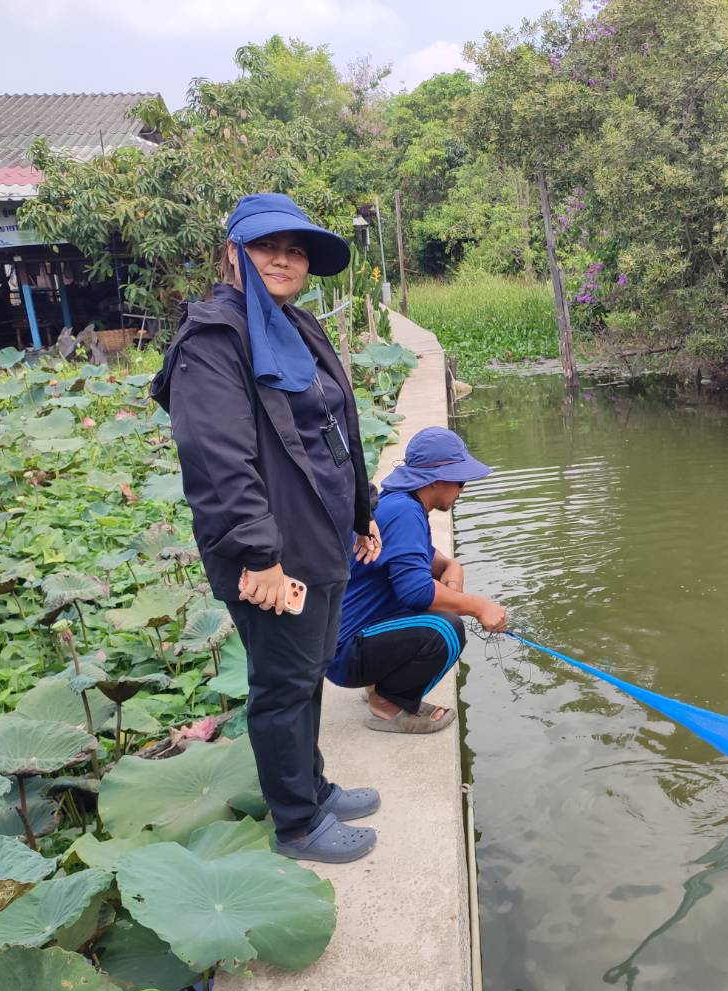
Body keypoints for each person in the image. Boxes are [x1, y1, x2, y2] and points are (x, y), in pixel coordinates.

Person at [151, 193, 386, 865]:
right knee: (282, 685)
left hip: (320, 534)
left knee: (307, 670)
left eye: (295, 250)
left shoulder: (298, 325)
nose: (282, 259)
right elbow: (219, 460)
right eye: (265, 247)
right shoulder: (213, 339)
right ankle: (297, 824)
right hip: (269, 551)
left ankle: (312, 784)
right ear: (232, 254)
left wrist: (361, 512)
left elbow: (335, 429)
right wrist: (260, 556)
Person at [327, 427, 508, 732]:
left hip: (347, 643)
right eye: (460, 481)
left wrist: (452, 567)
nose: (462, 490)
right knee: (447, 631)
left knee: (445, 612)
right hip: (346, 652)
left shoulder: (402, 503)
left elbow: (432, 562)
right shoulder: (405, 512)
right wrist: (478, 606)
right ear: (437, 479)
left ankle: (378, 685)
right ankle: (387, 703)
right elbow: (417, 592)